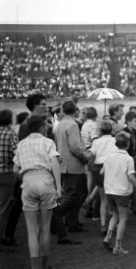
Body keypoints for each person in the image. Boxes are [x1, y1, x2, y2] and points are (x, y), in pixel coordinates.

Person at [13, 115, 62, 269]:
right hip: (46, 181)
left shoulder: (22, 144)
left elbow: (15, 169)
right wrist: (58, 186)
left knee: (32, 230)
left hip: (28, 182)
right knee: (45, 228)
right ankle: (45, 264)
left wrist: (25, 179)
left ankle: (35, 267)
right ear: (41, 127)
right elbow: (55, 162)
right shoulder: (48, 142)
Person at [54, 100, 92, 233]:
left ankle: (72, 222)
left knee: (77, 193)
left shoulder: (60, 124)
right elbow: (75, 147)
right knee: (75, 194)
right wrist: (86, 157)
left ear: (63, 110)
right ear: (75, 110)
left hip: (63, 163)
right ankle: (56, 216)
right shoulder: (72, 124)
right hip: (73, 164)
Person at [102, 131, 136, 255]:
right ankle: (117, 246)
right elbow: (131, 176)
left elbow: (102, 172)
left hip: (109, 191)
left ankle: (108, 237)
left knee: (115, 214)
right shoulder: (128, 159)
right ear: (128, 144)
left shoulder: (109, 157)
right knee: (123, 218)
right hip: (122, 192)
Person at [89, 121, 116, 236]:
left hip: (99, 168)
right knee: (114, 199)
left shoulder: (96, 142)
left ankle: (103, 225)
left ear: (100, 130)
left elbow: (91, 154)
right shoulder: (115, 140)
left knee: (103, 199)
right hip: (112, 168)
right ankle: (112, 225)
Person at [0, 109, 18, 252]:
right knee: (4, 208)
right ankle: (2, 236)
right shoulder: (10, 134)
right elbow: (17, 154)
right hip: (6, 173)